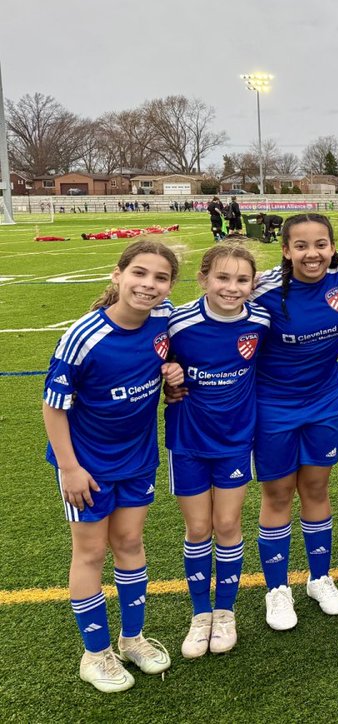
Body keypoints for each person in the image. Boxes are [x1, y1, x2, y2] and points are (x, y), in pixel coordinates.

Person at [42, 241, 182, 692]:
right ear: (118, 275)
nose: (149, 285)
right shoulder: (84, 337)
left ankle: (132, 639)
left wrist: (173, 372)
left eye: (160, 278)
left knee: (130, 542)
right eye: (139, 273)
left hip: (138, 459)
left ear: (169, 287)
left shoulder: (163, 318)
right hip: (87, 466)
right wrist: (69, 468)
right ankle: (95, 653)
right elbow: (54, 406)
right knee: (90, 553)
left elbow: (174, 357)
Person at [249, 213, 338, 631]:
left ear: (333, 247)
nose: (312, 254)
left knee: (315, 488)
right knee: (278, 494)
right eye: (301, 245)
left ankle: (319, 578)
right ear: (285, 250)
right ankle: (277, 589)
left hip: (326, 402)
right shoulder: (262, 290)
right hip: (274, 407)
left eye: (320, 244)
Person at [166, 243, 271, 657]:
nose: (232, 287)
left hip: (235, 440)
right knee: (198, 529)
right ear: (204, 278)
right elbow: (146, 356)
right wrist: (166, 374)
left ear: (252, 283)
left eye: (242, 280)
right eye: (223, 278)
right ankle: (200, 615)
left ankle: (225, 612)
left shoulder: (260, 319)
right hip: (188, 440)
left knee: (227, 524)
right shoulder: (176, 322)